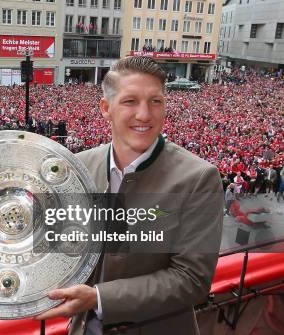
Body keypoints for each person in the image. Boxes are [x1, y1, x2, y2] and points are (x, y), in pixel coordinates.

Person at [36, 57, 223, 335]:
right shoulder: (78, 167)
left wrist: (99, 298)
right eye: (130, 101)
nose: (145, 114)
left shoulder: (198, 178)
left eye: (155, 101)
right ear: (106, 108)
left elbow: (192, 280)